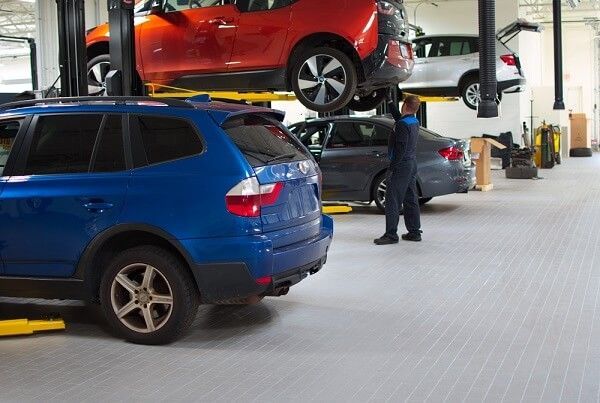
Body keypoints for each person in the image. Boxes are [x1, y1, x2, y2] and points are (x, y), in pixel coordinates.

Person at [374, 93, 422, 245]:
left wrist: (392, 168)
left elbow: (400, 148)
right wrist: (388, 101)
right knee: (410, 198)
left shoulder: (402, 125)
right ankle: (414, 232)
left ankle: (391, 235)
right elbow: (398, 118)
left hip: (401, 165)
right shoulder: (413, 121)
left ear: (405, 106)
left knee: (392, 200)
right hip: (411, 164)